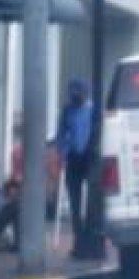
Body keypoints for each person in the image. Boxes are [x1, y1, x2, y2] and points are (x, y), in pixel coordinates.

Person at [56, 79, 97, 255]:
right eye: (73, 94)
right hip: (73, 157)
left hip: (89, 156)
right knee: (74, 201)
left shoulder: (93, 110)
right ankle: (78, 240)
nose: (75, 98)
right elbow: (61, 133)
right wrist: (63, 150)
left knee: (92, 201)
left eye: (79, 94)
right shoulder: (67, 110)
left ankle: (90, 238)